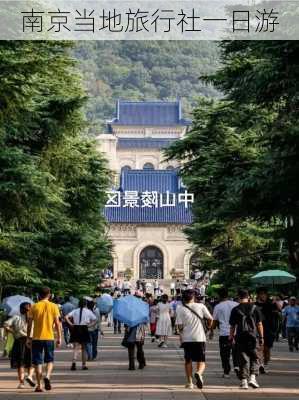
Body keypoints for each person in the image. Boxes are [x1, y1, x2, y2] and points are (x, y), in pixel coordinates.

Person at [26, 287, 62, 393]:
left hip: (36, 338)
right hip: (49, 337)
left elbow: (29, 324)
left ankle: (39, 385)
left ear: (39, 295)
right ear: (49, 295)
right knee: (49, 360)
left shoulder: (34, 306)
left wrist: (28, 337)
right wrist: (59, 337)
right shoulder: (54, 306)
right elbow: (57, 323)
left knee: (37, 362)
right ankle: (47, 376)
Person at [176, 289, 213, 389]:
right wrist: (209, 328)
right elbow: (210, 318)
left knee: (188, 360)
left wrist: (182, 333)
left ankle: (190, 383)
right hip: (199, 337)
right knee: (201, 360)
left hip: (187, 338)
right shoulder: (201, 306)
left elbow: (179, 326)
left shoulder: (179, 308)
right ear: (193, 297)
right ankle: (199, 373)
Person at [229, 289, 264, 390]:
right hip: (253, 337)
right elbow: (259, 324)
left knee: (243, 358)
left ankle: (244, 382)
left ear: (238, 297)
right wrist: (261, 337)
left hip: (240, 337)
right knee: (255, 356)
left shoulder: (235, 309)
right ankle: (252, 378)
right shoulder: (255, 308)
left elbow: (232, 326)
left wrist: (231, 337)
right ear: (248, 297)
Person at [4, 302, 35, 389]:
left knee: (20, 363)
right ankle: (30, 376)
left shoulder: (16, 317)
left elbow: (5, 325)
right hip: (31, 341)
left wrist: (13, 331)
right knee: (31, 361)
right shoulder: (33, 318)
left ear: (20, 309)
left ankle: (21, 383)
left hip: (19, 341)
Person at [210, 288, 239, 378]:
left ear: (219, 296)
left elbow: (214, 321)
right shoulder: (236, 304)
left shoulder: (218, 306)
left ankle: (226, 372)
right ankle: (237, 366)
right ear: (228, 295)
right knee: (236, 351)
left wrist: (212, 330)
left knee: (224, 354)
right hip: (237, 332)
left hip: (224, 333)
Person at [66, 298, 97, 371]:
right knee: (84, 348)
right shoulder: (88, 311)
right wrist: (90, 325)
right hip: (84, 328)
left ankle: (74, 362)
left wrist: (71, 324)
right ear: (85, 304)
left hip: (76, 328)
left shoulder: (75, 311)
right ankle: (84, 365)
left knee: (76, 347)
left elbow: (66, 317)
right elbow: (95, 319)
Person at [255, 287, 281, 373]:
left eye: (264, 293)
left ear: (267, 295)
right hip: (258, 329)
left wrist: (276, 302)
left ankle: (265, 364)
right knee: (259, 348)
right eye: (261, 293)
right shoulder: (255, 305)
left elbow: (280, 310)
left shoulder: (271, 304)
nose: (263, 295)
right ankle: (260, 365)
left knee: (267, 349)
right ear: (258, 295)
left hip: (269, 330)